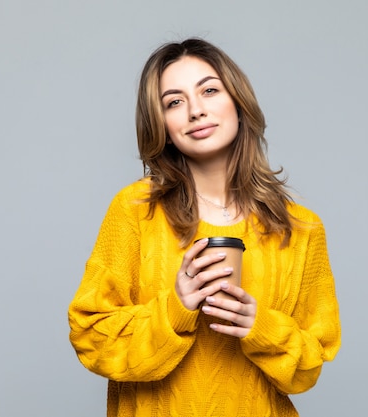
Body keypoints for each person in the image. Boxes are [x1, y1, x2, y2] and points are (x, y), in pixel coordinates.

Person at [68, 37, 341, 417]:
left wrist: (258, 326)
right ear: (161, 123)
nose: (196, 110)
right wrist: (176, 308)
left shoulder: (299, 228)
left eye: (209, 90)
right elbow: (91, 336)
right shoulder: (136, 211)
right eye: (174, 102)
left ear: (238, 104)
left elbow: (309, 365)